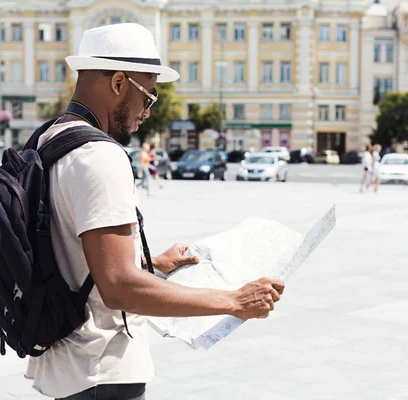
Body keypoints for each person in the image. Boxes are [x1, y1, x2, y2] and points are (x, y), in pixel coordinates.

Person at [25, 23, 285, 400]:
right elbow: (118, 288)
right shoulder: (100, 156)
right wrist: (235, 301)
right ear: (118, 83)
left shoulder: (50, 138)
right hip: (102, 370)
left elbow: (76, 256)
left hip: (68, 365)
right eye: (148, 96)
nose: (147, 112)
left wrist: (152, 264)